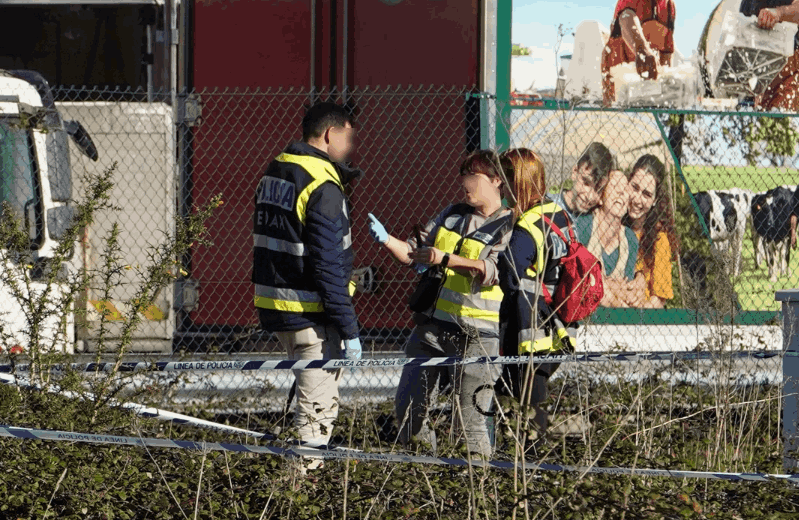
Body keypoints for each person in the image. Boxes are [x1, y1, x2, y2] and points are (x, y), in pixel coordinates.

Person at [367, 150, 514, 458]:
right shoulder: (452, 213)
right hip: (431, 330)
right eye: (462, 175)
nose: (464, 181)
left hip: (478, 339)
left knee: (470, 425)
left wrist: (445, 258)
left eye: (472, 175)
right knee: (408, 413)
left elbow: (491, 271)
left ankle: (478, 495)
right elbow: (416, 255)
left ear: (496, 180)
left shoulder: (509, 225)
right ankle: (426, 483)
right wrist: (386, 240)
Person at [252, 101, 362, 455]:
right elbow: (328, 266)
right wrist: (349, 329)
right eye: (348, 138)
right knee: (316, 419)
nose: (351, 148)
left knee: (305, 415)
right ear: (330, 134)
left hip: (277, 308)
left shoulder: (278, 170)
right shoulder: (323, 186)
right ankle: (302, 493)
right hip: (313, 317)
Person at [495, 148, 574, 438]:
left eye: (504, 179)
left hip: (530, 329)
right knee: (531, 401)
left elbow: (510, 277)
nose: (501, 187)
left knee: (527, 407)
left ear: (518, 184)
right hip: (559, 327)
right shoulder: (559, 216)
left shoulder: (526, 227)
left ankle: (528, 468)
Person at [573, 170, 639, 307]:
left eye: (625, 189)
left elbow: (628, 291)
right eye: (615, 186)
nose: (621, 192)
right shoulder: (584, 225)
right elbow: (578, 279)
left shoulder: (630, 239)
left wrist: (603, 282)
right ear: (601, 197)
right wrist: (614, 286)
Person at [623, 154, 678, 308]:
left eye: (646, 194)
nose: (637, 199)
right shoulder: (613, 220)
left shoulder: (660, 240)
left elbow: (659, 300)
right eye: (635, 187)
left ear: (655, 200)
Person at [601, 0, 676, 106]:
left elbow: (666, 53)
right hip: (617, 84)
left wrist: (667, 86)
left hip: (645, 88)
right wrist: (642, 50)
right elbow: (626, 17)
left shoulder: (669, 6)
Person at [748, 0, 799, 111]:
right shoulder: (747, 3)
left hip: (791, 59)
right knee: (765, 116)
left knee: (783, 111)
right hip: (763, 66)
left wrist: (779, 13)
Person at [550, 142, 615, 220]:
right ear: (575, 172)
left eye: (598, 190)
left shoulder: (597, 219)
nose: (589, 196)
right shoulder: (548, 207)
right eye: (586, 183)